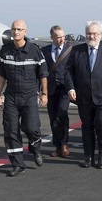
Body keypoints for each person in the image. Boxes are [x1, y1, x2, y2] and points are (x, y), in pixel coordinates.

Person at [66, 20, 102, 169]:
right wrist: (71, 88)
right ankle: (88, 156)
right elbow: (68, 71)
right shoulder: (77, 50)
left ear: (100, 34)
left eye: (94, 33)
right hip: (83, 96)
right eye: (89, 33)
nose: (91, 36)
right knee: (87, 127)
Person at [0, 20, 48, 176]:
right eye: (13, 29)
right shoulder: (5, 51)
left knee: (31, 127)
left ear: (25, 31)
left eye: (19, 29)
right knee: (10, 129)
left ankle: (35, 147)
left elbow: (43, 74)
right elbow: (1, 75)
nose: (16, 32)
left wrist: (44, 93)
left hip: (30, 95)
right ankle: (18, 163)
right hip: (11, 95)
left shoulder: (35, 51)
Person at [42, 25, 72, 158]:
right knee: (53, 118)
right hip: (51, 88)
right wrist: (41, 90)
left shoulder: (70, 50)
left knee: (62, 113)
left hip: (65, 88)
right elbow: (41, 72)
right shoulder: (44, 51)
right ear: (52, 38)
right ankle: (57, 145)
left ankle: (65, 143)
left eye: (63, 37)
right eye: (58, 37)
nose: (61, 40)